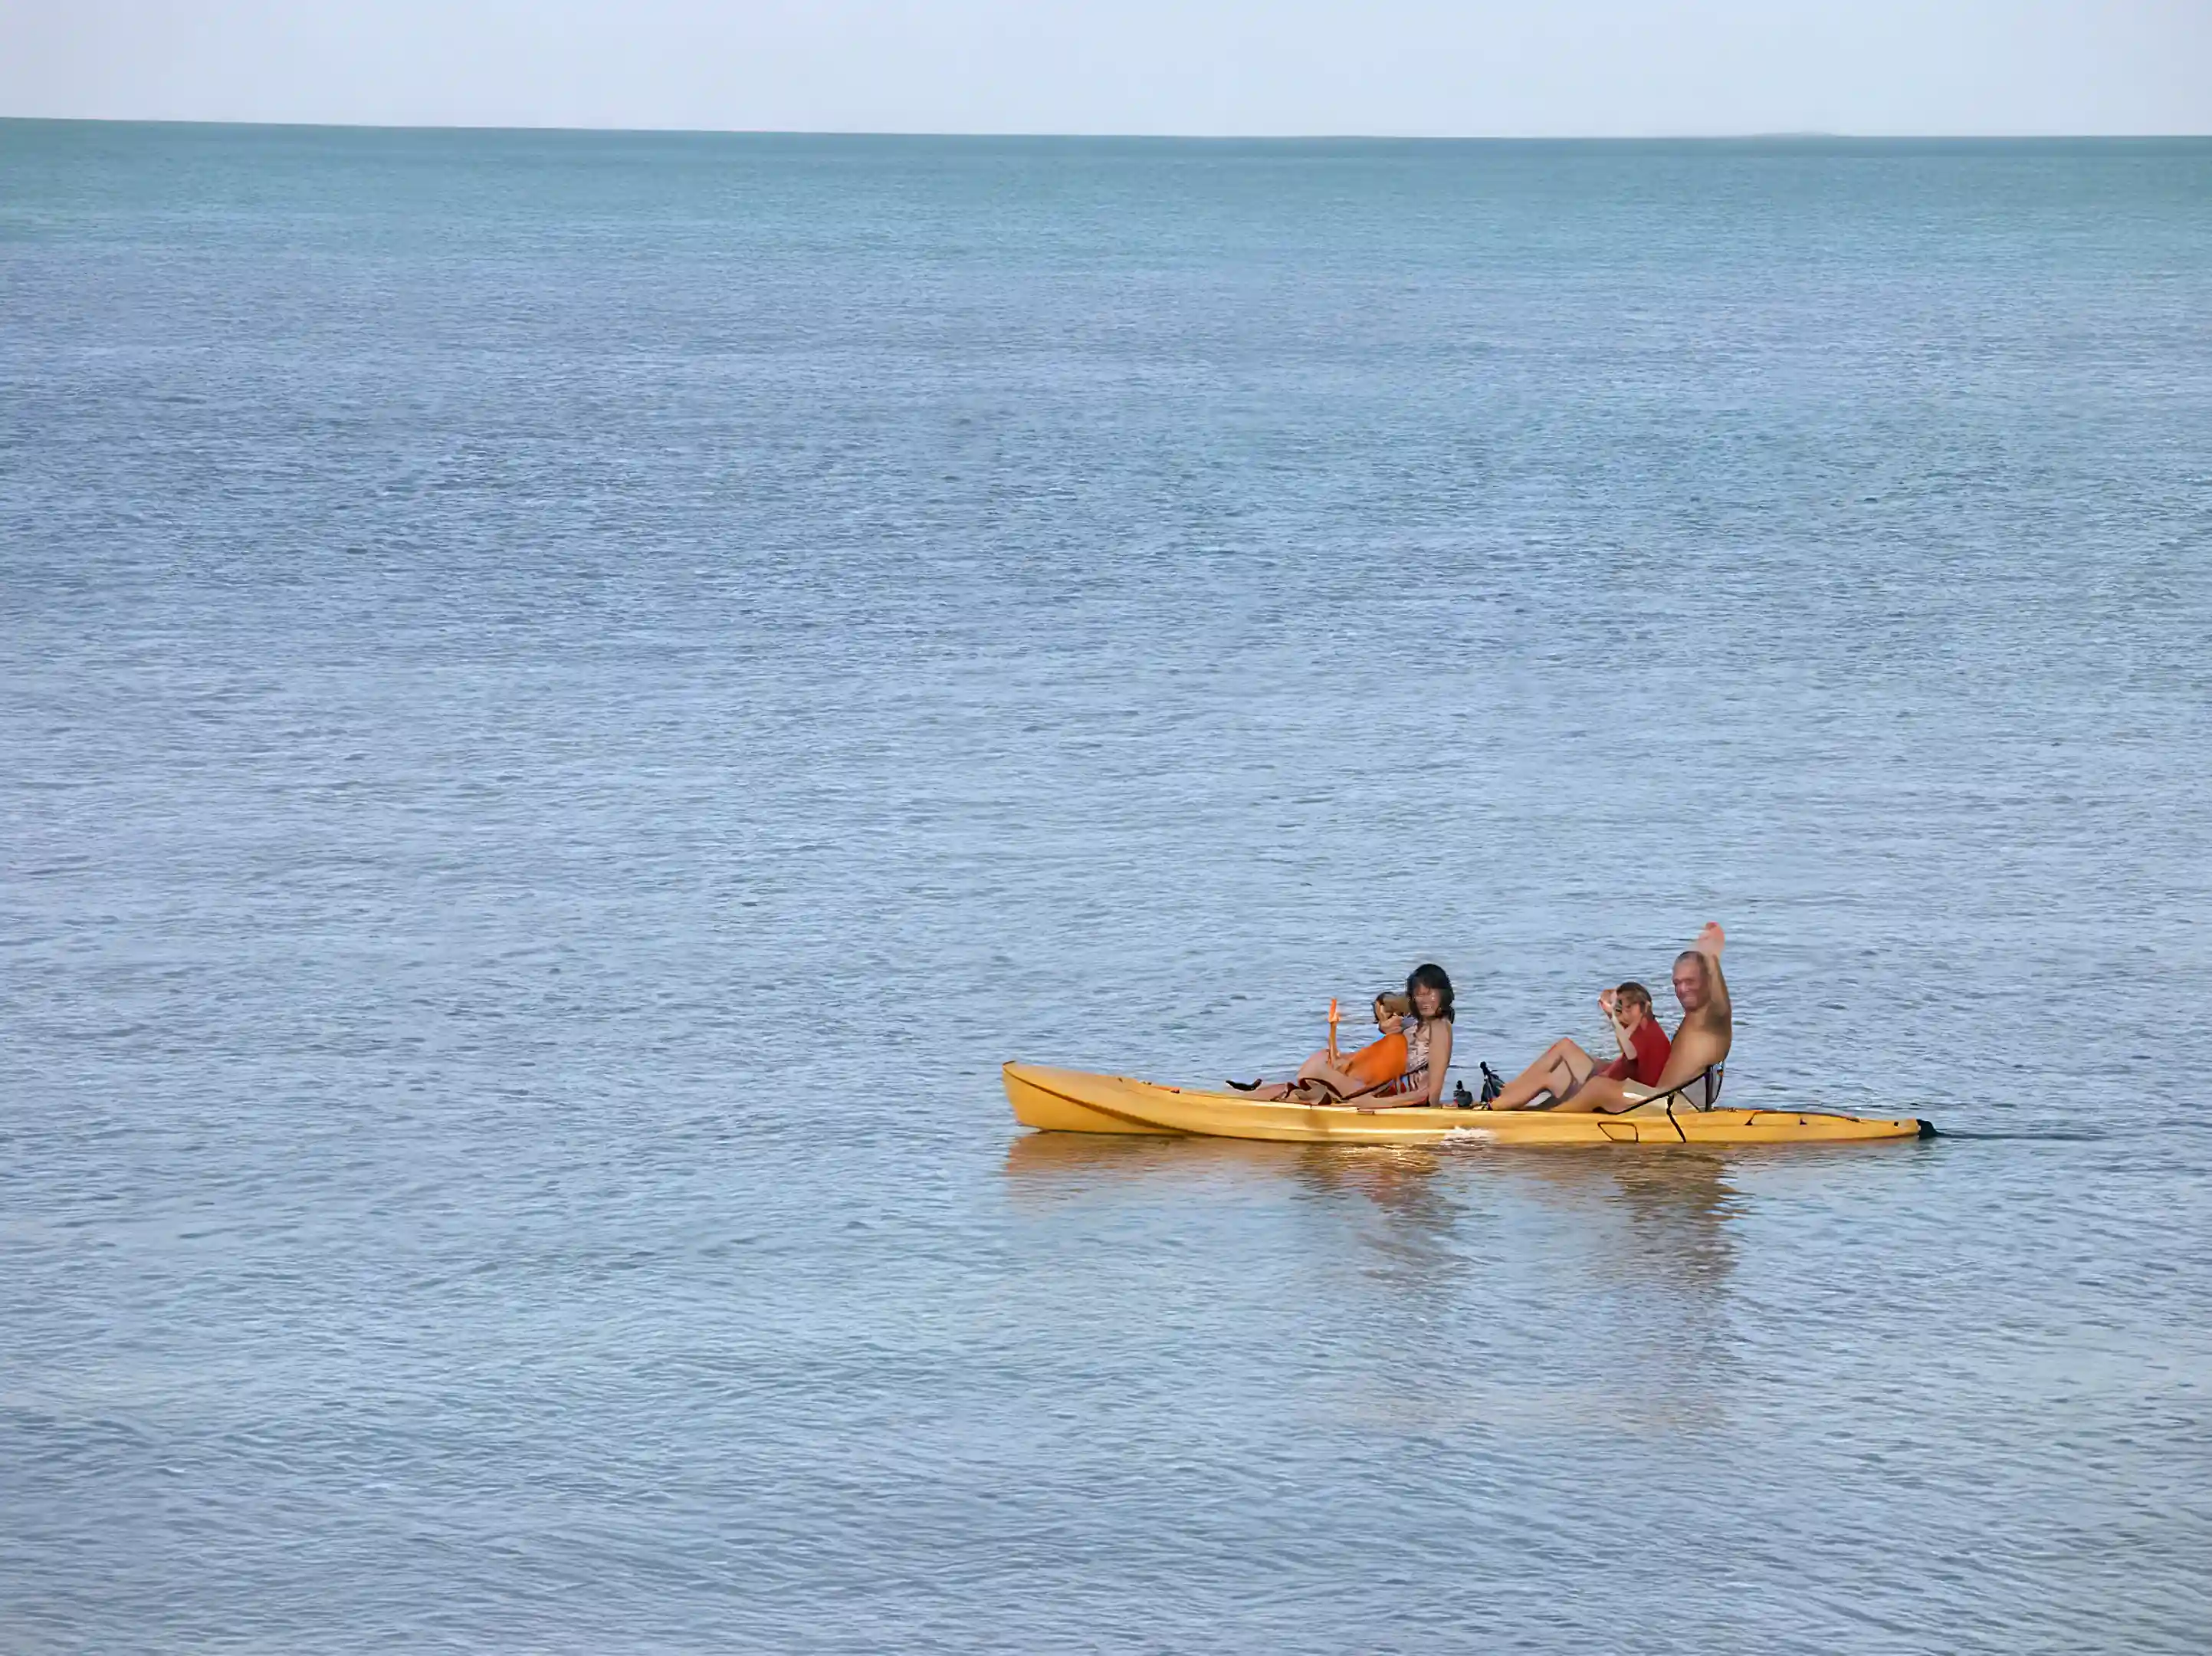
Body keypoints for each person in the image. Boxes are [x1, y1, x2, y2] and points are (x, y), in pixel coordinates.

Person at [1491, 923, 1731, 1115]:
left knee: (1599, 1086)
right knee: (1566, 1067)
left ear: (1707, 981)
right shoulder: (1693, 1020)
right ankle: (1503, 1102)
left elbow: (1721, 1006)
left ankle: (1547, 1120)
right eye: (1677, 983)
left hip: (1675, 1109)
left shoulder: (1712, 1020)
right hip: (1656, 1099)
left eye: (1690, 981)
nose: (1682, 989)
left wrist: (1712, 957)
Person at [1234, 964, 1456, 1109]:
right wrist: (1392, 1014)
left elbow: (1430, 1093)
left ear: (1443, 995)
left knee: (1312, 1078)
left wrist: (1375, 1104)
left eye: (1431, 994)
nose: (1425, 1000)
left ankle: (1238, 1107)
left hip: (1391, 1095)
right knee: (1305, 1086)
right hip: (1377, 1087)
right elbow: (1383, 1004)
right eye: (1419, 995)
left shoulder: (1439, 1027)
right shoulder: (1413, 1021)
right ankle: (1240, 1104)